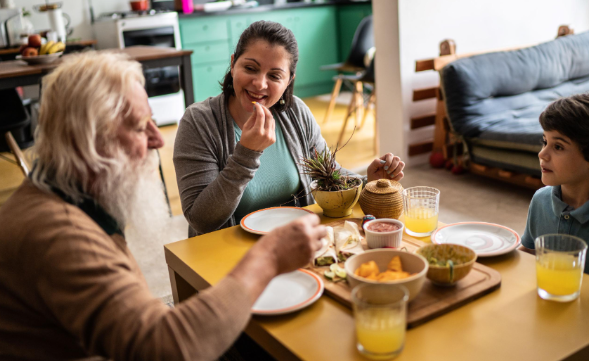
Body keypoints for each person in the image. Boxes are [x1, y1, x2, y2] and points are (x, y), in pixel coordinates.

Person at [0, 51, 326, 361]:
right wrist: (267, 258)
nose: (158, 140)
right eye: (141, 126)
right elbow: (167, 350)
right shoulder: (63, 237)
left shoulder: (62, 197)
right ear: (84, 139)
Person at [173, 20, 406, 237]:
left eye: (274, 75)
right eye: (251, 68)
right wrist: (246, 154)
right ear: (233, 64)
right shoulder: (198, 122)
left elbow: (328, 174)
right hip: (230, 257)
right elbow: (200, 220)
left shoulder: (296, 112)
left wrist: (367, 182)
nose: (259, 83)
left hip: (296, 245)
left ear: (288, 81)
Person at [519, 91, 589, 284]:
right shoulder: (541, 200)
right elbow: (528, 253)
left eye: (558, 147)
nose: (542, 154)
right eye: (545, 142)